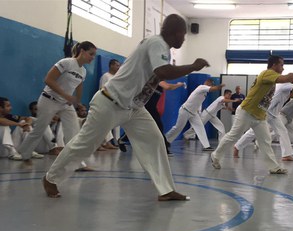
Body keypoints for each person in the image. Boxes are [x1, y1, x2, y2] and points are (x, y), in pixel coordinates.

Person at [42, 14, 209, 201]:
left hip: (134, 108)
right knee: (84, 144)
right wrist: (192, 66)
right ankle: (50, 178)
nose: (184, 39)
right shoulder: (157, 43)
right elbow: (163, 72)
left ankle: (166, 190)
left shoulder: (161, 48)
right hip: (111, 102)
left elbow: (159, 74)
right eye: (183, 35)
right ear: (176, 33)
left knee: (155, 140)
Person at [210, 55, 293, 174]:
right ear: (274, 65)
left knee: (265, 141)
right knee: (233, 136)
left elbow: (286, 78)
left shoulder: (273, 78)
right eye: (281, 65)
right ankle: (215, 155)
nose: (283, 67)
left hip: (260, 115)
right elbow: (288, 77)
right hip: (247, 111)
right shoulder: (267, 73)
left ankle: (274, 167)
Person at [17, 41, 97, 165]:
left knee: (74, 131)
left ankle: (76, 162)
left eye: (94, 55)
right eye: (91, 54)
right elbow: (48, 79)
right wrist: (65, 95)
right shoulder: (66, 62)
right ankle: (24, 153)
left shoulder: (83, 71)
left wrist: (78, 101)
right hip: (49, 100)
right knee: (39, 129)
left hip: (65, 105)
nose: (93, 57)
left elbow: (79, 86)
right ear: (82, 51)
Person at [233, 83, 293, 160]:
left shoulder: (288, 89)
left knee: (283, 131)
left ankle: (286, 155)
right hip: (267, 112)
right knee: (253, 131)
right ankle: (237, 146)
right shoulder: (285, 85)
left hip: (274, 114)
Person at [165, 78, 225, 151]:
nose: (211, 86)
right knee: (178, 127)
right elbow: (213, 89)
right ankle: (166, 140)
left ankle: (206, 146)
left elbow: (198, 102)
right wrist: (220, 86)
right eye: (211, 84)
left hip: (193, 113)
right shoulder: (202, 87)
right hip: (185, 110)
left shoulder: (204, 93)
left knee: (200, 127)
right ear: (208, 83)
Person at [99, 59, 122, 146]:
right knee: (107, 122)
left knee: (117, 123)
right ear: (111, 65)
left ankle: (117, 139)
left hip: (117, 102)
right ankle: (109, 141)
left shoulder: (117, 77)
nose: (118, 67)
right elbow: (102, 89)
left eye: (119, 65)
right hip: (107, 102)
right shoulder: (106, 76)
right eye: (117, 65)